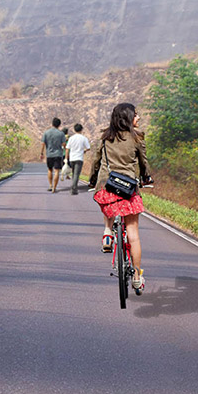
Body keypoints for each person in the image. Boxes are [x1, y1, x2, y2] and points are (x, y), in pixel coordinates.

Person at [87, 103, 150, 292]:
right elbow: (143, 162)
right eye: (136, 115)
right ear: (128, 117)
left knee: (110, 205)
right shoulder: (137, 137)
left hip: (107, 187)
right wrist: (146, 177)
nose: (138, 118)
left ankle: (107, 232)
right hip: (129, 189)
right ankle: (137, 277)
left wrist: (92, 180)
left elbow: (96, 162)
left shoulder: (105, 138)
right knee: (133, 234)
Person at [65, 123, 91, 195]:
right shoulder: (83, 138)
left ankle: (74, 186)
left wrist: (66, 158)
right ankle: (74, 188)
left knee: (74, 173)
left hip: (72, 158)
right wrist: (84, 151)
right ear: (81, 130)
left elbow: (67, 148)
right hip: (79, 158)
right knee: (76, 174)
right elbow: (88, 148)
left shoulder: (71, 138)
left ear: (74, 129)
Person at [41, 118, 66, 193]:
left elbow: (43, 144)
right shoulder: (61, 133)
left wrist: (41, 153)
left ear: (52, 124)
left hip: (49, 154)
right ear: (59, 125)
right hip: (58, 154)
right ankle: (54, 187)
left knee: (49, 170)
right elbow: (64, 144)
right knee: (57, 170)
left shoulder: (46, 133)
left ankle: (50, 185)